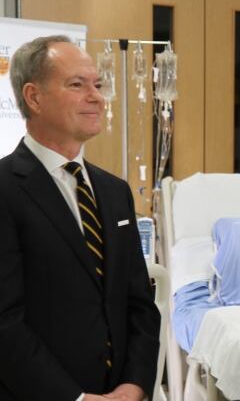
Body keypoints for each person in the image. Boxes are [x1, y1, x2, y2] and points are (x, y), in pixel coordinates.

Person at [0, 36, 160, 400]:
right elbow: (4, 322)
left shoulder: (114, 192)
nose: (97, 97)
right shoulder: (6, 190)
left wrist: (134, 386)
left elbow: (139, 304)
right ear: (34, 97)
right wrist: (76, 399)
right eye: (77, 85)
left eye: (97, 85)